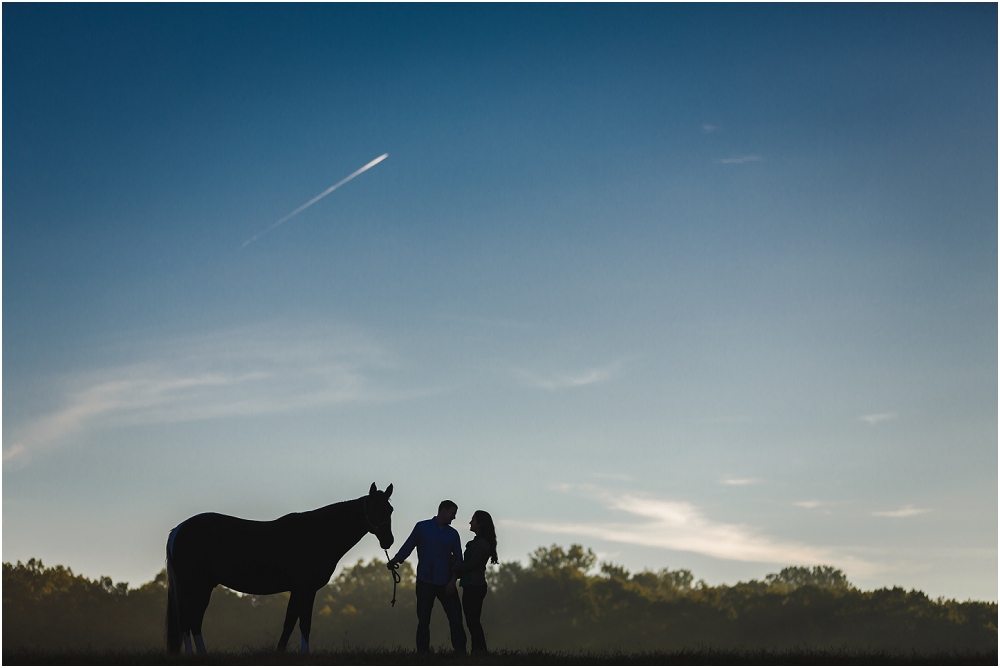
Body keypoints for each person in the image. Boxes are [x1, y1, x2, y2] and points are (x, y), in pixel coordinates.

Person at [388, 500, 467, 653]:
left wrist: (452, 581)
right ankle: (423, 653)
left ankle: (460, 652)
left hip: (446, 583)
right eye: (452, 513)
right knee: (423, 620)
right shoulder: (422, 527)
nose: (454, 517)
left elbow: (458, 560)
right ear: (443, 511)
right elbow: (408, 546)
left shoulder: (453, 534)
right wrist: (394, 561)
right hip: (425, 581)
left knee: (456, 619)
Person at [450, 510, 498, 654]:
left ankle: (480, 651)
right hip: (470, 585)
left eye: (473, 520)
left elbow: (472, 564)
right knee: (472, 621)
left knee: (473, 621)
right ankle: (478, 651)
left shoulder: (482, 544)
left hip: (474, 586)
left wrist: (453, 568)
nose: (470, 522)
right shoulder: (478, 542)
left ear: (480, 524)